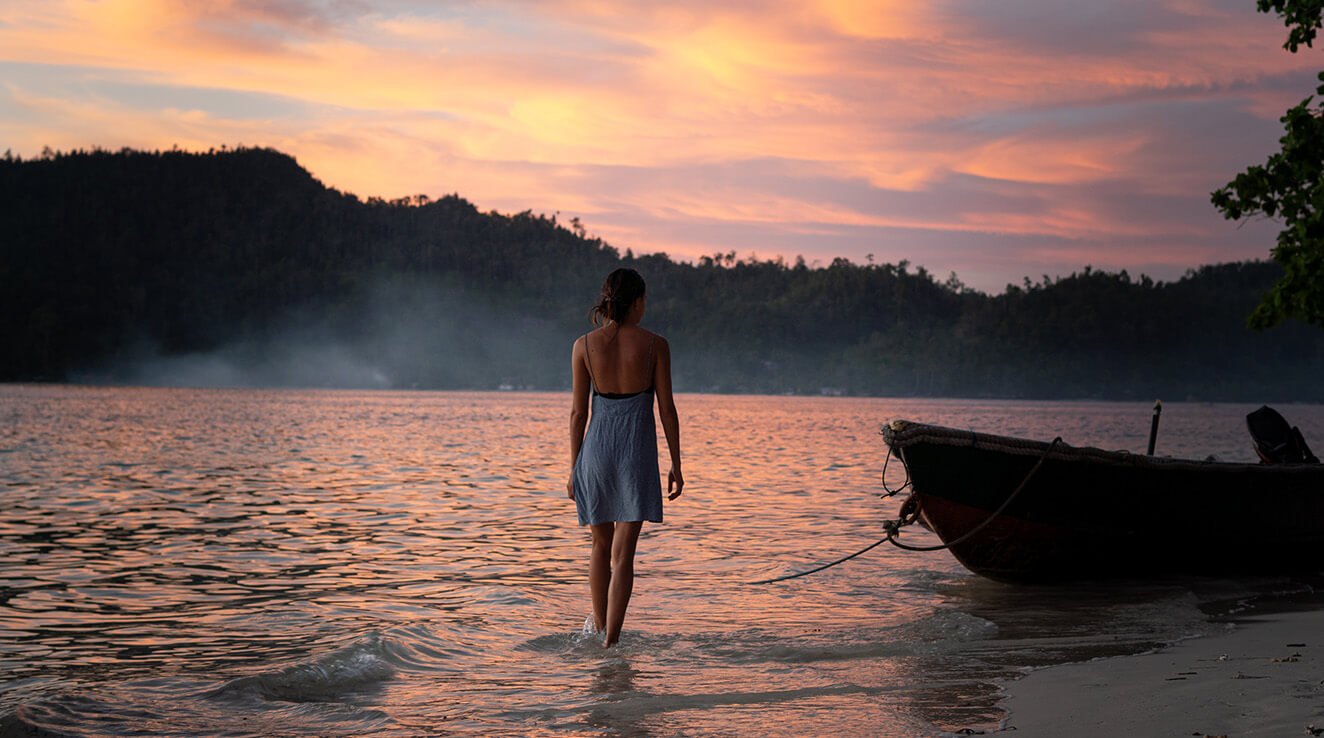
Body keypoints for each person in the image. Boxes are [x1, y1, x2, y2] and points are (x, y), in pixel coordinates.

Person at [567, 268, 683, 647]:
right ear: (637, 301)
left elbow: (578, 414)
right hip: (635, 453)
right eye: (644, 300)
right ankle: (610, 643)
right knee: (624, 555)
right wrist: (676, 463)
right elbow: (667, 409)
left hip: (596, 452)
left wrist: (574, 469)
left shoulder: (583, 345)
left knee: (600, 546)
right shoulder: (655, 345)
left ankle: (600, 629)